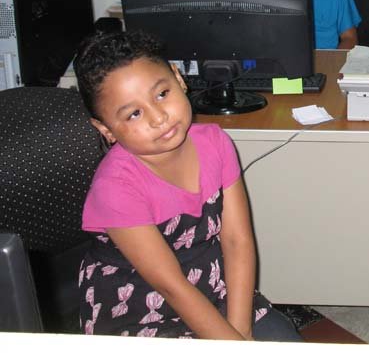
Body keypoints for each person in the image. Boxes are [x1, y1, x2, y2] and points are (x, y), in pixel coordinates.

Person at [73, 30, 302, 341]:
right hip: (139, 304)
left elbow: (236, 241)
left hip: (213, 285)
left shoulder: (216, 143)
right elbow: (171, 286)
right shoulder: (115, 187)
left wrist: (241, 330)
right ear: (106, 130)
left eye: (162, 94)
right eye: (134, 114)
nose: (158, 118)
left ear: (179, 79)